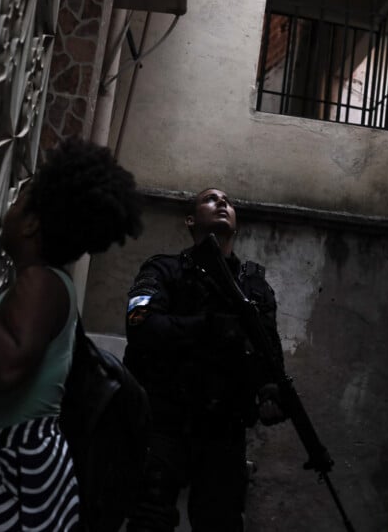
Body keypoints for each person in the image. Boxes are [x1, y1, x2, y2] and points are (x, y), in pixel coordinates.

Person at [0, 138, 142, 531]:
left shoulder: (40, 284)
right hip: (6, 470)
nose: (8, 209)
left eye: (17, 202)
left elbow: (8, 368)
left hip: (18, 474)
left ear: (32, 223)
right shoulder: (36, 287)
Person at [123, 188, 287, 532]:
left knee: (220, 522)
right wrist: (208, 327)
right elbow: (141, 326)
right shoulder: (163, 269)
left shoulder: (254, 285)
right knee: (150, 517)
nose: (223, 203)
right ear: (190, 220)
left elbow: (268, 350)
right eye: (210, 199)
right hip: (165, 420)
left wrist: (271, 391)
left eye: (228, 201)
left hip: (223, 430)